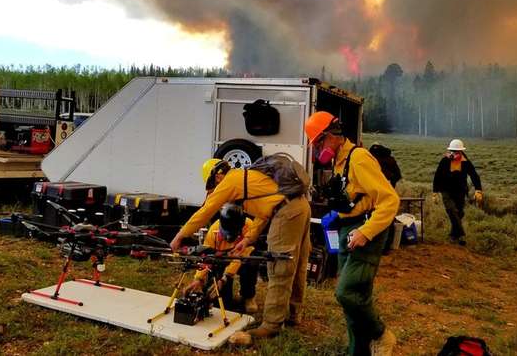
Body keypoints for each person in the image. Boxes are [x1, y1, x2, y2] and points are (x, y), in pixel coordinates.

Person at [170, 157, 311, 340]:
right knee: (297, 263)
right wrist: (248, 239)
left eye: (213, 183)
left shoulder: (231, 181)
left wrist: (180, 236)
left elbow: (206, 211)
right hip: (301, 206)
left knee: (280, 267)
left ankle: (271, 326)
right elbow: (269, 208)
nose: (214, 188)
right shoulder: (249, 177)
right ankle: (293, 314)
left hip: (288, 214)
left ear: (219, 175)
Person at [308, 111, 399, 356]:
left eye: (319, 142)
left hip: (367, 229)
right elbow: (356, 198)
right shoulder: (339, 161)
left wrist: (365, 232)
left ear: (333, 135)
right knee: (356, 296)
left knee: (345, 292)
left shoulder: (358, 158)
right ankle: (357, 351)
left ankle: (381, 335)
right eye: (315, 145)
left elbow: (389, 200)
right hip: (348, 227)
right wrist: (337, 216)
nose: (318, 150)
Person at [182, 203, 258, 313]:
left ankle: (248, 296)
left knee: (251, 263)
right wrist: (199, 279)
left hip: (242, 259)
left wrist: (225, 278)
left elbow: (241, 256)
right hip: (222, 260)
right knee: (221, 303)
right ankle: (222, 295)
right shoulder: (213, 233)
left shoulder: (249, 226)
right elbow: (206, 258)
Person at [432, 139, 482, 246]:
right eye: (453, 151)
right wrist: (435, 192)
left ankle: (453, 236)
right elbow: (438, 176)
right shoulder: (445, 161)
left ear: (461, 151)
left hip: (460, 191)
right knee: (451, 210)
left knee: (459, 213)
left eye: (457, 151)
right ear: (450, 150)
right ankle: (461, 235)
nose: (455, 153)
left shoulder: (465, 162)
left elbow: (474, 175)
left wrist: (478, 190)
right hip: (446, 190)